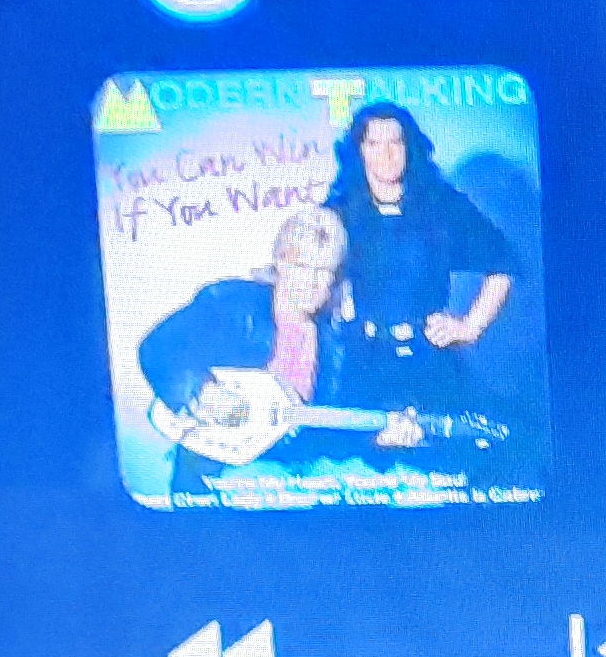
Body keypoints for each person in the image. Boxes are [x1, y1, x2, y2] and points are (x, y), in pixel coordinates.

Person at [134, 207, 409, 493]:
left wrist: (379, 439)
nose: (311, 282)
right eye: (302, 266)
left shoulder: (340, 343)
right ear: (280, 262)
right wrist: (201, 390)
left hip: (291, 486)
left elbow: (333, 437)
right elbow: (158, 349)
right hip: (215, 478)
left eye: (323, 271)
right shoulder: (232, 305)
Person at [326, 100, 519, 432]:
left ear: (409, 147)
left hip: (431, 364)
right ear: (359, 151)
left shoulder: (440, 204)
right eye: (374, 143)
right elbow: (307, 268)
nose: (386, 154)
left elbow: (503, 262)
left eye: (395, 142)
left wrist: (469, 327)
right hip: (364, 365)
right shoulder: (341, 211)